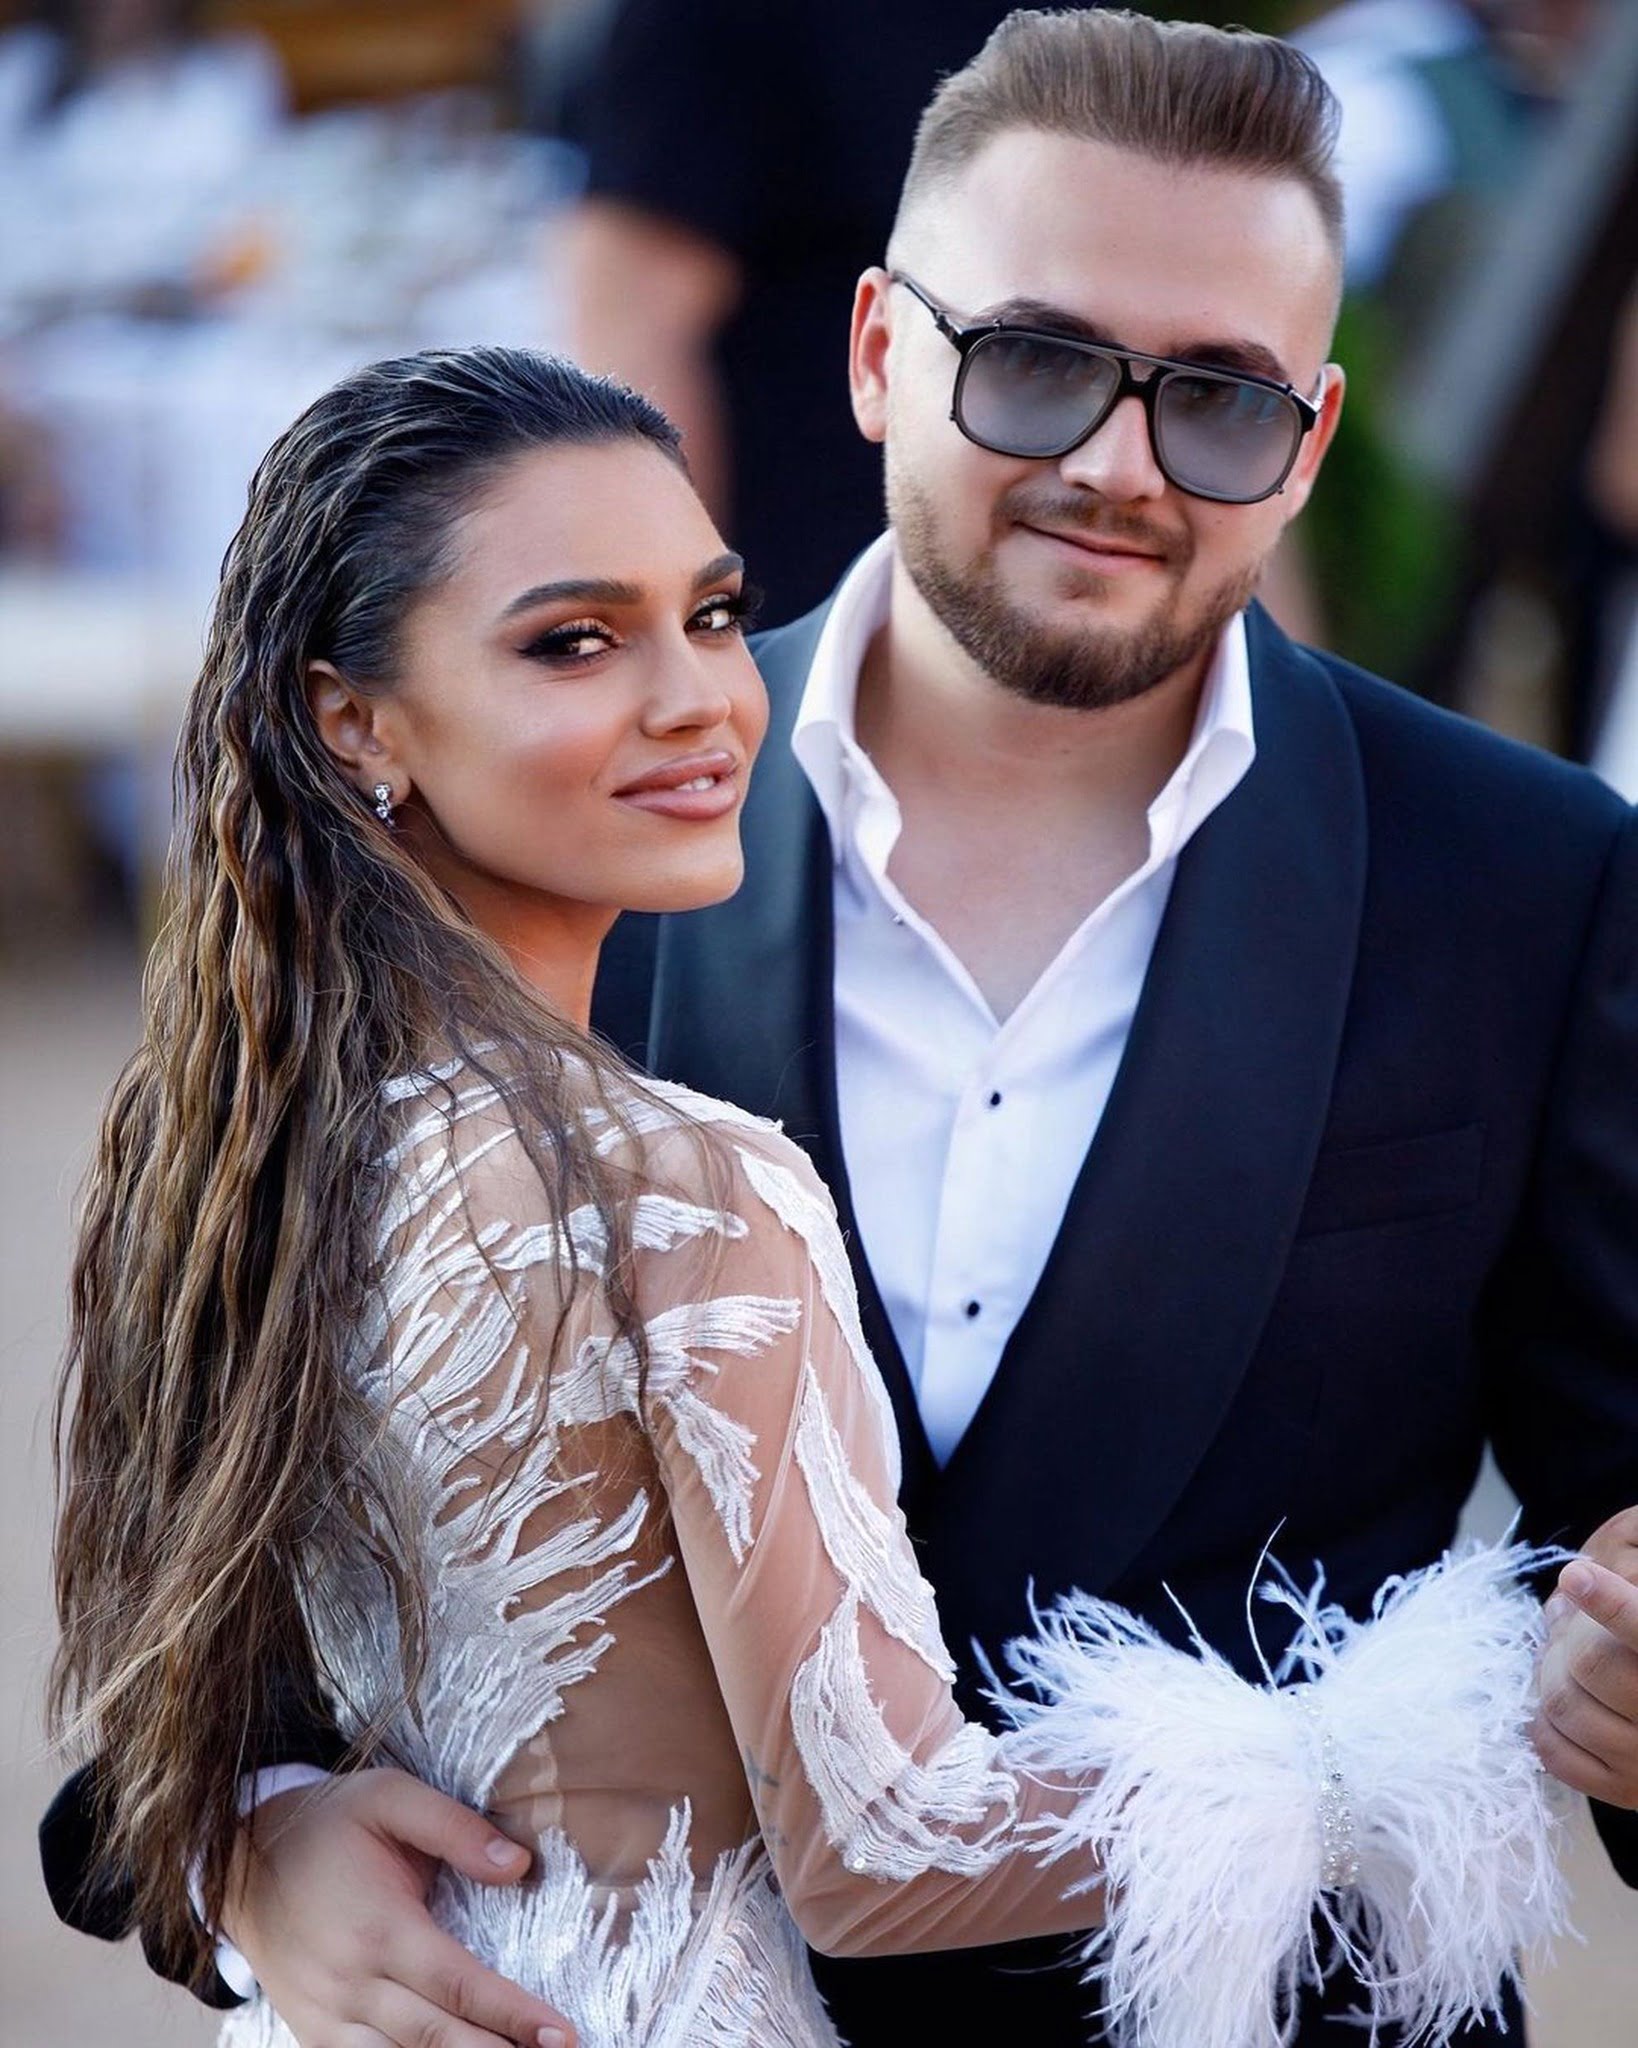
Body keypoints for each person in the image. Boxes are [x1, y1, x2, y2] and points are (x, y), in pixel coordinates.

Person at [43, 12, 1638, 2047]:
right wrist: (244, 1835)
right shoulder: (538, 830)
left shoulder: (1532, 879)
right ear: (879, 349)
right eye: (1037, 361)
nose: (1117, 465)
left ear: (1309, 443)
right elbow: (210, 1556)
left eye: (1219, 401)